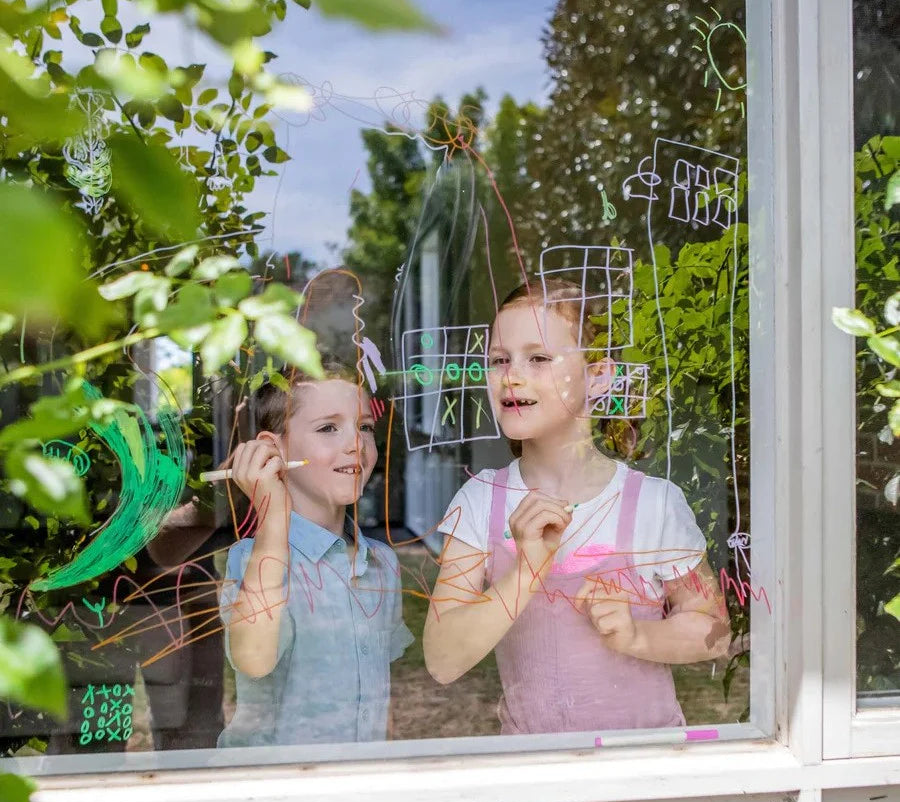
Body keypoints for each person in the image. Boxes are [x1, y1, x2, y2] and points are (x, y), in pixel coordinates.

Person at [423, 279, 732, 735]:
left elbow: (714, 631)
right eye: (499, 359)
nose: (511, 375)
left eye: (539, 358)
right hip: (533, 776)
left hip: (640, 774)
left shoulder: (653, 502)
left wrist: (637, 635)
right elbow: (442, 660)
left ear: (599, 375)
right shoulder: (480, 501)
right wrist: (526, 571)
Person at [217, 360, 413, 747]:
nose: (356, 444)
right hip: (277, 795)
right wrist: (272, 515)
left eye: (365, 427)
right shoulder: (252, 559)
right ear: (274, 450)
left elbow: (378, 697)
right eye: (328, 428)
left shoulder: (381, 564)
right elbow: (254, 658)